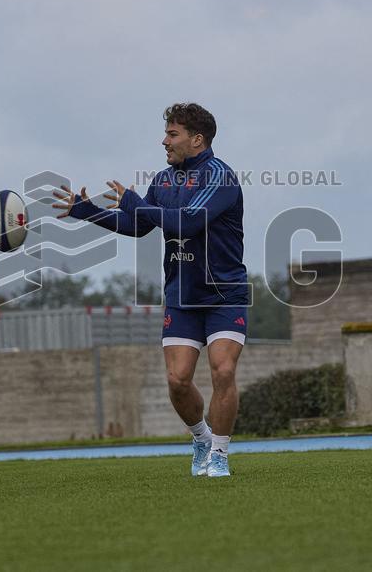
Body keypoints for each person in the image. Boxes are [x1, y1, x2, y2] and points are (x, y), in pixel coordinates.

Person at [52, 102, 249, 477]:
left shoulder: (220, 177)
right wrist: (87, 211)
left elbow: (189, 223)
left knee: (223, 372)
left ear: (197, 139)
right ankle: (201, 438)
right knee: (177, 381)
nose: (164, 141)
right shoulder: (163, 180)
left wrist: (135, 204)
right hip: (181, 295)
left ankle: (220, 455)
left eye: (172, 134)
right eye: (166, 134)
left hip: (225, 293)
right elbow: (139, 226)